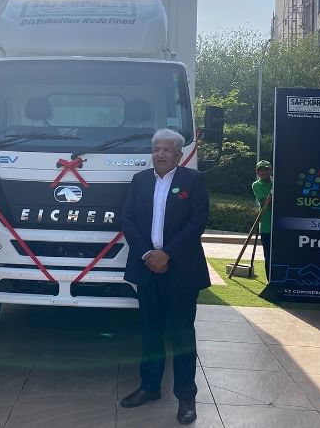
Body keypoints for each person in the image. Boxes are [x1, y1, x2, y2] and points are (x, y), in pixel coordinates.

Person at [120, 128, 211, 425]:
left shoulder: (194, 181)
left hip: (181, 270)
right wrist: (149, 253)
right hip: (147, 268)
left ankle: (186, 396)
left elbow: (197, 222)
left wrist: (167, 254)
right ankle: (149, 387)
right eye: (156, 149)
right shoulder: (140, 180)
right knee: (150, 332)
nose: (160, 154)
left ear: (179, 155)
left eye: (167, 150)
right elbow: (128, 219)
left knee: (182, 334)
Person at [252, 160, 273, 281]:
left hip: (280, 225)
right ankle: (270, 281)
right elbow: (266, 202)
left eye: (266, 170)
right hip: (266, 226)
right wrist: (272, 193)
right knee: (268, 256)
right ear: (257, 172)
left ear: (270, 171)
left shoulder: (277, 182)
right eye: (261, 170)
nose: (263, 172)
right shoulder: (256, 185)